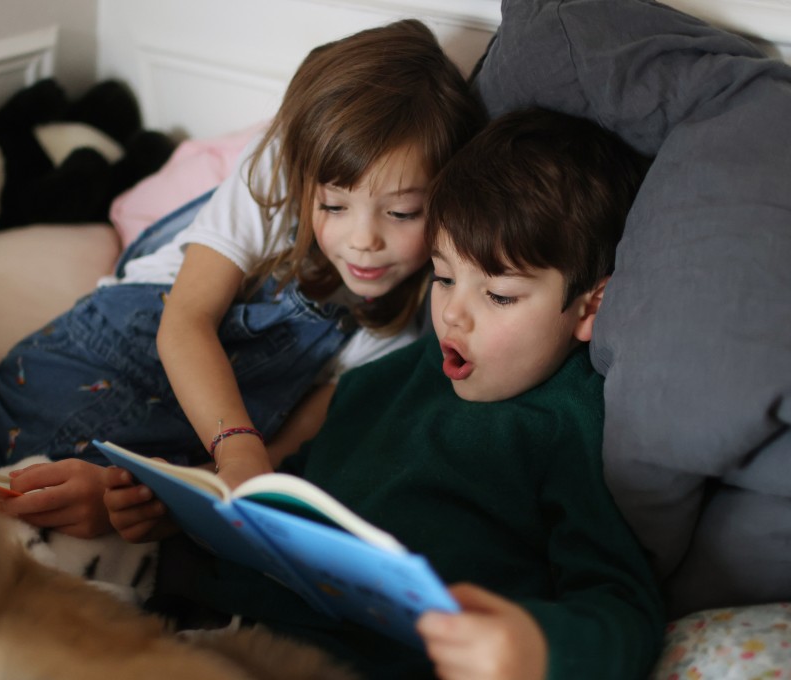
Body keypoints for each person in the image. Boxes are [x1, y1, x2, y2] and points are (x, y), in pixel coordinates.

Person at [103, 108, 663, 680]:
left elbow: (624, 608)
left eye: (499, 296)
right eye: (444, 277)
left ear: (589, 307)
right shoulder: (383, 382)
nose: (452, 315)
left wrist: (538, 648)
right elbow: (287, 498)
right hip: (229, 626)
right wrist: (174, 512)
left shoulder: (570, 422)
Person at [0, 19, 484, 538]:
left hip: (188, 445)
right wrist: (237, 448)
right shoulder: (273, 171)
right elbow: (186, 322)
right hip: (98, 362)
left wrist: (172, 499)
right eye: (333, 204)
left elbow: (284, 450)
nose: (362, 240)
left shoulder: (402, 331)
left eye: (401, 214)